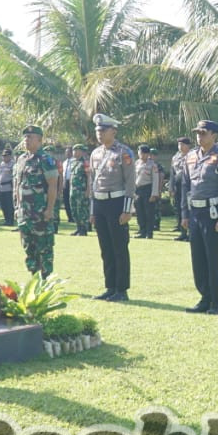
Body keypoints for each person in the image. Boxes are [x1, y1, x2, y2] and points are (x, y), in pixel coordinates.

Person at [181, 120, 218, 314]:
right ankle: (205, 297)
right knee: (198, 258)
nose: (199, 136)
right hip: (195, 213)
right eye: (197, 133)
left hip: (213, 213)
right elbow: (185, 186)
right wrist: (184, 213)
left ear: (214, 135)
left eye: (203, 133)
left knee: (214, 259)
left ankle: (216, 300)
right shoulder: (190, 156)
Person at [90, 114, 136, 302]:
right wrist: (92, 210)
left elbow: (130, 182)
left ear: (113, 131)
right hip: (100, 203)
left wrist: (127, 210)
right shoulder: (95, 153)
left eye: (103, 130)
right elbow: (92, 182)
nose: (99, 134)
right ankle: (110, 287)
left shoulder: (123, 153)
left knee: (119, 248)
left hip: (116, 203)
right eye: (97, 130)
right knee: (105, 248)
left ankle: (121, 289)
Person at [12, 126, 59, 279]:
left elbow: (53, 185)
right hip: (24, 212)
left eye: (30, 137)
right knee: (28, 247)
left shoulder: (45, 160)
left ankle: (45, 279)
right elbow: (17, 185)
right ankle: (34, 277)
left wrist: (50, 209)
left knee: (44, 247)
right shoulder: (21, 159)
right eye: (25, 137)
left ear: (39, 140)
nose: (26, 140)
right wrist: (17, 207)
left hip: (40, 212)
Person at [134, 144, 162, 239]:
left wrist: (154, 194)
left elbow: (155, 180)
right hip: (138, 190)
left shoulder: (152, 165)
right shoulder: (137, 163)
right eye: (140, 153)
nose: (141, 155)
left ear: (147, 154)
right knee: (139, 211)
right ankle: (142, 231)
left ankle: (149, 233)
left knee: (149, 212)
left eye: (143, 153)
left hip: (148, 189)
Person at [68, 144, 92, 236]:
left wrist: (88, 190)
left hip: (82, 191)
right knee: (74, 210)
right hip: (73, 191)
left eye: (76, 150)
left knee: (82, 210)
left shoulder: (85, 163)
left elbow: (89, 177)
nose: (74, 152)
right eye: (73, 150)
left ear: (80, 152)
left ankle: (83, 230)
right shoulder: (73, 162)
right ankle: (78, 228)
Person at [0, 148, 17, 226]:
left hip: (9, 187)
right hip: (1, 187)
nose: (4, 157)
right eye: (3, 156)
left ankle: (10, 221)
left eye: (6, 156)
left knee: (9, 205)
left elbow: (14, 177)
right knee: (3, 205)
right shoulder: (2, 164)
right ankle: (6, 220)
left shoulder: (13, 164)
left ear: (10, 156)